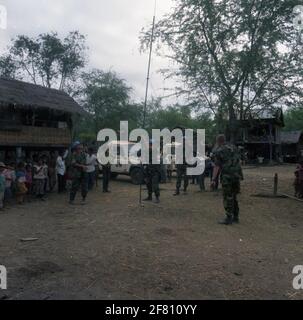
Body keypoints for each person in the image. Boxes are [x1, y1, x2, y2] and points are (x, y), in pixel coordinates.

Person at [212, 135, 243, 225]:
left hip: (227, 176)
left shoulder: (219, 151)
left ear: (218, 141)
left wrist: (213, 179)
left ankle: (229, 217)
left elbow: (217, 166)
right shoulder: (234, 147)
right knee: (234, 196)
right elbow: (239, 160)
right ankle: (236, 216)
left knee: (227, 196)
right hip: (236, 175)